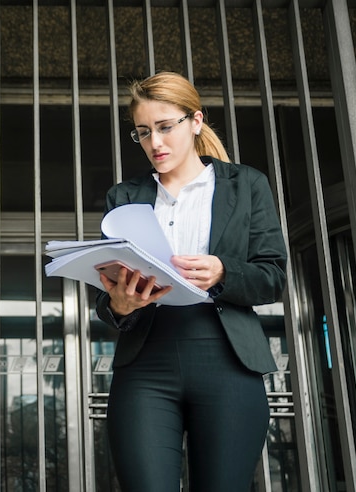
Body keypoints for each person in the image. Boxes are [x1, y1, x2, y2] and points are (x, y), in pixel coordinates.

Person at [96, 71, 287, 492]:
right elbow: (107, 295)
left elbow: (273, 277)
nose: (155, 143)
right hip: (146, 363)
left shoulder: (247, 185)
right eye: (144, 133)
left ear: (196, 121)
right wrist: (120, 305)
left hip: (228, 361)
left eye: (165, 127)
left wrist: (223, 272)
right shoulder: (124, 197)